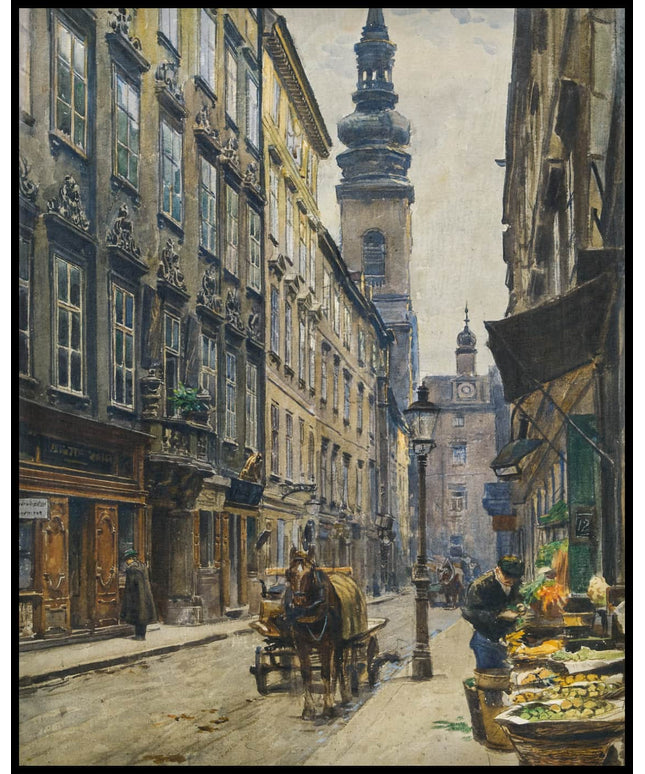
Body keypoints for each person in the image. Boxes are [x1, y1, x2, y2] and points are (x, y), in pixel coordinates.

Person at [461, 555, 525, 670]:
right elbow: (469, 612)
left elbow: (518, 598)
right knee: (490, 675)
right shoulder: (480, 585)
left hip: (507, 639)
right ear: (497, 570)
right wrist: (498, 615)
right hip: (485, 640)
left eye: (514, 578)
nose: (511, 581)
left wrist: (519, 605)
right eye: (507, 577)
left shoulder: (516, 582)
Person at [120, 548, 157, 640]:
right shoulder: (143, 565)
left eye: (127, 560)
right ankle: (142, 635)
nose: (126, 562)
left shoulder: (131, 569)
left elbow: (132, 585)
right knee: (143, 615)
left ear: (131, 558)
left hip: (136, 596)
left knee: (137, 615)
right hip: (145, 594)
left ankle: (138, 636)